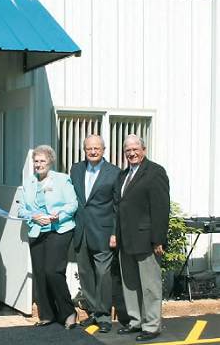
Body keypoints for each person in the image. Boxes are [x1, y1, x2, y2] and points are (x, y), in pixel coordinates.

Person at [115, 134, 170, 342]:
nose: (132, 153)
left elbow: (161, 208)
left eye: (135, 149)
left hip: (147, 240)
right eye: (128, 150)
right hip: (126, 240)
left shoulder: (155, 172)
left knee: (150, 285)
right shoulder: (123, 175)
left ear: (144, 149)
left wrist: (158, 240)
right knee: (130, 284)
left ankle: (152, 325)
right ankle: (135, 321)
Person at [17, 145, 78, 329]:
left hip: (59, 229)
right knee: (40, 274)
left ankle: (69, 312)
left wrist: (58, 215)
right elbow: (21, 210)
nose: (39, 164)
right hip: (37, 231)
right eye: (36, 161)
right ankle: (47, 314)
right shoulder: (28, 182)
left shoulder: (62, 179)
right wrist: (32, 216)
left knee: (53, 271)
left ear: (50, 161)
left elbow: (72, 204)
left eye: (42, 161)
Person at [70, 135, 121, 333]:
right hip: (80, 230)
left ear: (103, 149)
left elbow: (118, 206)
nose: (93, 152)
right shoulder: (76, 169)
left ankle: (104, 316)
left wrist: (115, 233)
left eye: (97, 148)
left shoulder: (114, 172)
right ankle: (92, 312)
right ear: (84, 149)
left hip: (104, 232)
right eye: (89, 148)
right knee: (85, 274)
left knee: (103, 274)